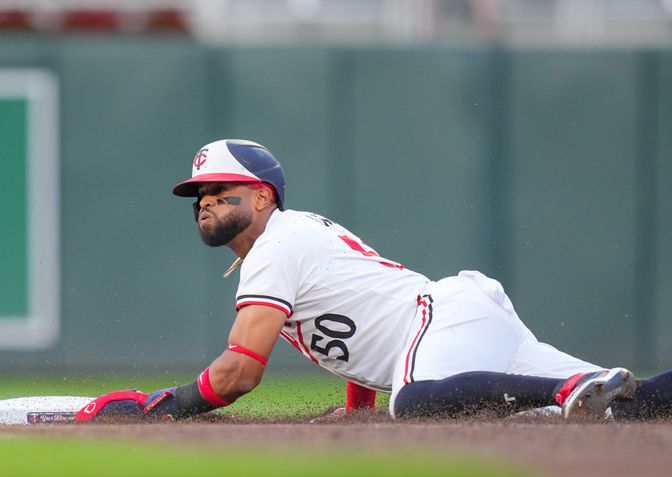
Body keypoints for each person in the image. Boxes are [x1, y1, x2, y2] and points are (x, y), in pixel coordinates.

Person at [76, 139, 672, 423]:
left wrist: (170, 404)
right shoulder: (288, 241)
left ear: (261, 196)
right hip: (455, 326)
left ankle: (566, 393)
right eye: (197, 195)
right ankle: (584, 388)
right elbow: (363, 317)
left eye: (218, 189)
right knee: (630, 404)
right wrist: (355, 403)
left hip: (444, 321)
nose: (203, 201)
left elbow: (239, 372)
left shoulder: (275, 243)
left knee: (412, 400)